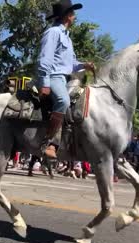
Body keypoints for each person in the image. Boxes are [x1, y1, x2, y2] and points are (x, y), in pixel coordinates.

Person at [37, 0, 94, 158]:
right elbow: (44, 59)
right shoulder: (53, 32)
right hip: (54, 77)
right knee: (63, 100)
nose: (75, 16)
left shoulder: (67, 38)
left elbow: (71, 64)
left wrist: (84, 65)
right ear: (67, 16)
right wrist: (45, 83)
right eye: (73, 13)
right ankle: (48, 143)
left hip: (65, 78)